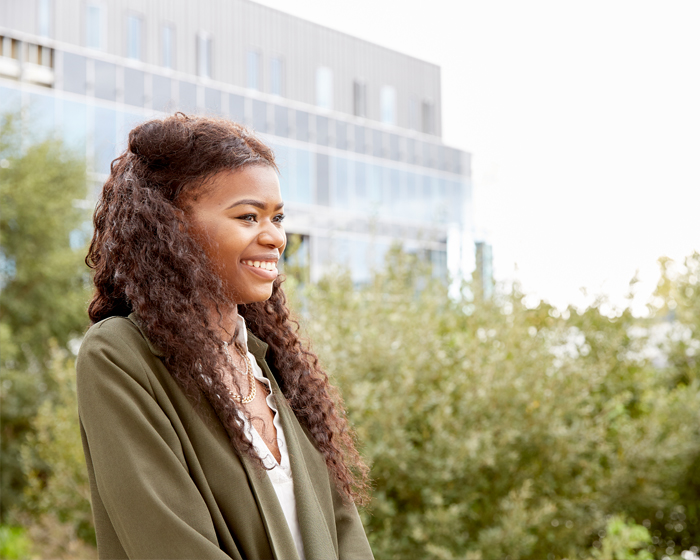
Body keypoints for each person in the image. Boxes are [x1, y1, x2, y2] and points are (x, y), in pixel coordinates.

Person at [76, 113, 374, 560]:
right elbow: (169, 540)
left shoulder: (274, 367)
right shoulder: (120, 356)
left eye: (278, 217)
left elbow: (345, 528)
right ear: (171, 226)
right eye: (249, 216)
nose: (275, 237)